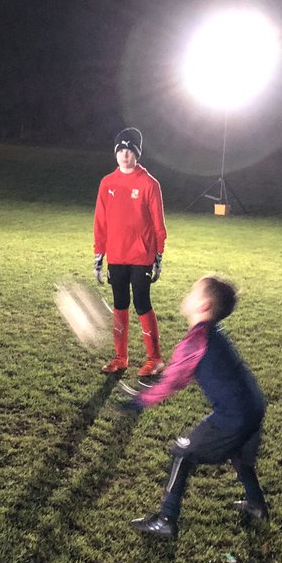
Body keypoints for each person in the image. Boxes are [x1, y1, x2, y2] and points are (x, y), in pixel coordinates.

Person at [119, 275, 268, 540]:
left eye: (193, 292)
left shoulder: (195, 341)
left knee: (182, 453)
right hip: (253, 408)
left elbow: (172, 382)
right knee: (240, 456)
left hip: (233, 415)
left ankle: (166, 519)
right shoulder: (213, 333)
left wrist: (139, 401)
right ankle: (256, 504)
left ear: (204, 306)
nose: (187, 295)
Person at [93, 127, 167, 376]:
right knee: (120, 304)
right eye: (121, 150)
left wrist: (158, 255)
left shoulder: (149, 184)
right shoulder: (107, 183)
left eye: (130, 150)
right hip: (116, 256)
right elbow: (100, 222)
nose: (125, 155)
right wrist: (98, 254)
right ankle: (120, 358)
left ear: (137, 154)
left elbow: (159, 224)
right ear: (115, 153)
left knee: (142, 303)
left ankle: (154, 359)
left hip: (141, 257)